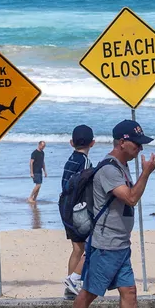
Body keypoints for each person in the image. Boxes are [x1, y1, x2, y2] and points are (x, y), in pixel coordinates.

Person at [62, 120, 155, 308]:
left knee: (129, 291)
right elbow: (131, 198)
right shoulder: (108, 170)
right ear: (122, 142)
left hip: (120, 243)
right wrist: (146, 173)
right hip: (106, 244)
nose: (140, 148)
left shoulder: (121, 166)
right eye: (137, 144)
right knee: (89, 292)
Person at [60, 125, 95, 298]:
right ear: (93, 143)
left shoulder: (70, 160)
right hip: (79, 210)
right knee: (90, 246)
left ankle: (70, 286)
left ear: (71, 143)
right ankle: (75, 281)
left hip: (65, 206)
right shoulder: (86, 162)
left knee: (77, 248)